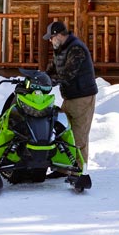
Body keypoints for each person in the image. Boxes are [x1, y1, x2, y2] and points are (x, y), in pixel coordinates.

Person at [44, 20, 97, 171]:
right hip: (69, 97)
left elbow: (68, 74)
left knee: (78, 137)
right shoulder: (60, 48)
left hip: (82, 97)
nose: (49, 40)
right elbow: (53, 69)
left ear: (59, 35)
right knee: (63, 133)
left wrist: (52, 82)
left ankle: (79, 171)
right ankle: (62, 169)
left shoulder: (76, 49)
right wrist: (40, 78)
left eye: (51, 37)